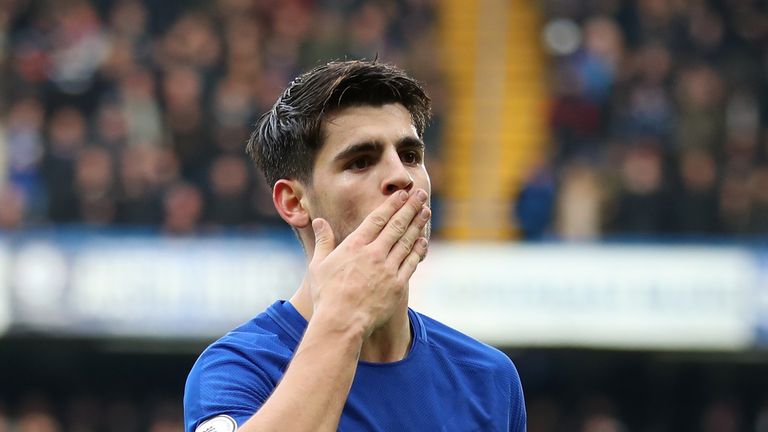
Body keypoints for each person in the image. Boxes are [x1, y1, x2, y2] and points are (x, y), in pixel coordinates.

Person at [183, 60, 527, 432]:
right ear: (294, 202)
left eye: (411, 156)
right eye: (361, 162)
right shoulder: (238, 369)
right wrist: (345, 319)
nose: (401, 177)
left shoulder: (489, 378)